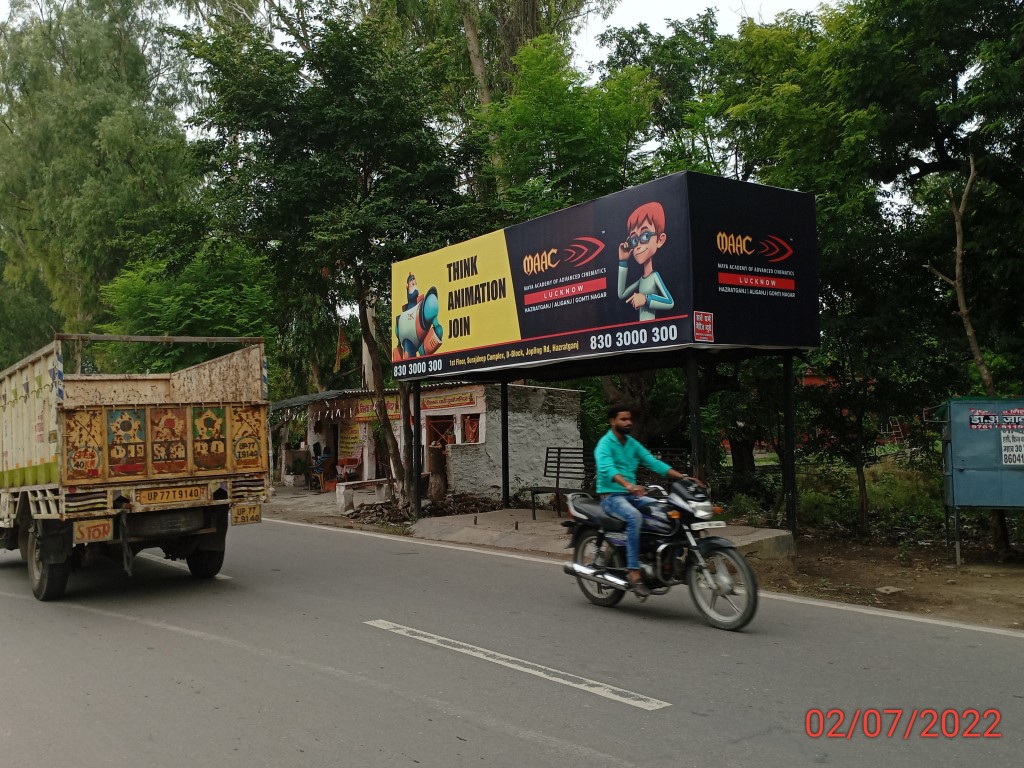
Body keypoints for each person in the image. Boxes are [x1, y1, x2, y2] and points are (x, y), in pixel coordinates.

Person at [594, 403, 685, 597]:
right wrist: (628, 485)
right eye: (623, 419)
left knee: (667, 511)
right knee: (634, 517)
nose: (628, 422)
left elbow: (653, 462)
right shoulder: (604, 444)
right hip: (611, 497)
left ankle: (669, 559)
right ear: (613, 421)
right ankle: (634, 571)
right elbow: (608, 469)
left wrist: (682, 477)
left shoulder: (632, 443)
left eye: (629, 419)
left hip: (632, 496)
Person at [617, 201, 675, 321]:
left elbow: (670, 302)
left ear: (660, 239)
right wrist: (623, 261)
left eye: (645, 236)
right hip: (643, 332)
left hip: (653, 330)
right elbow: (621, 294)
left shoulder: (655, 276)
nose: (638, 246)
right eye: (634, 239)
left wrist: (646, 299)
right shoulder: (641, 281)